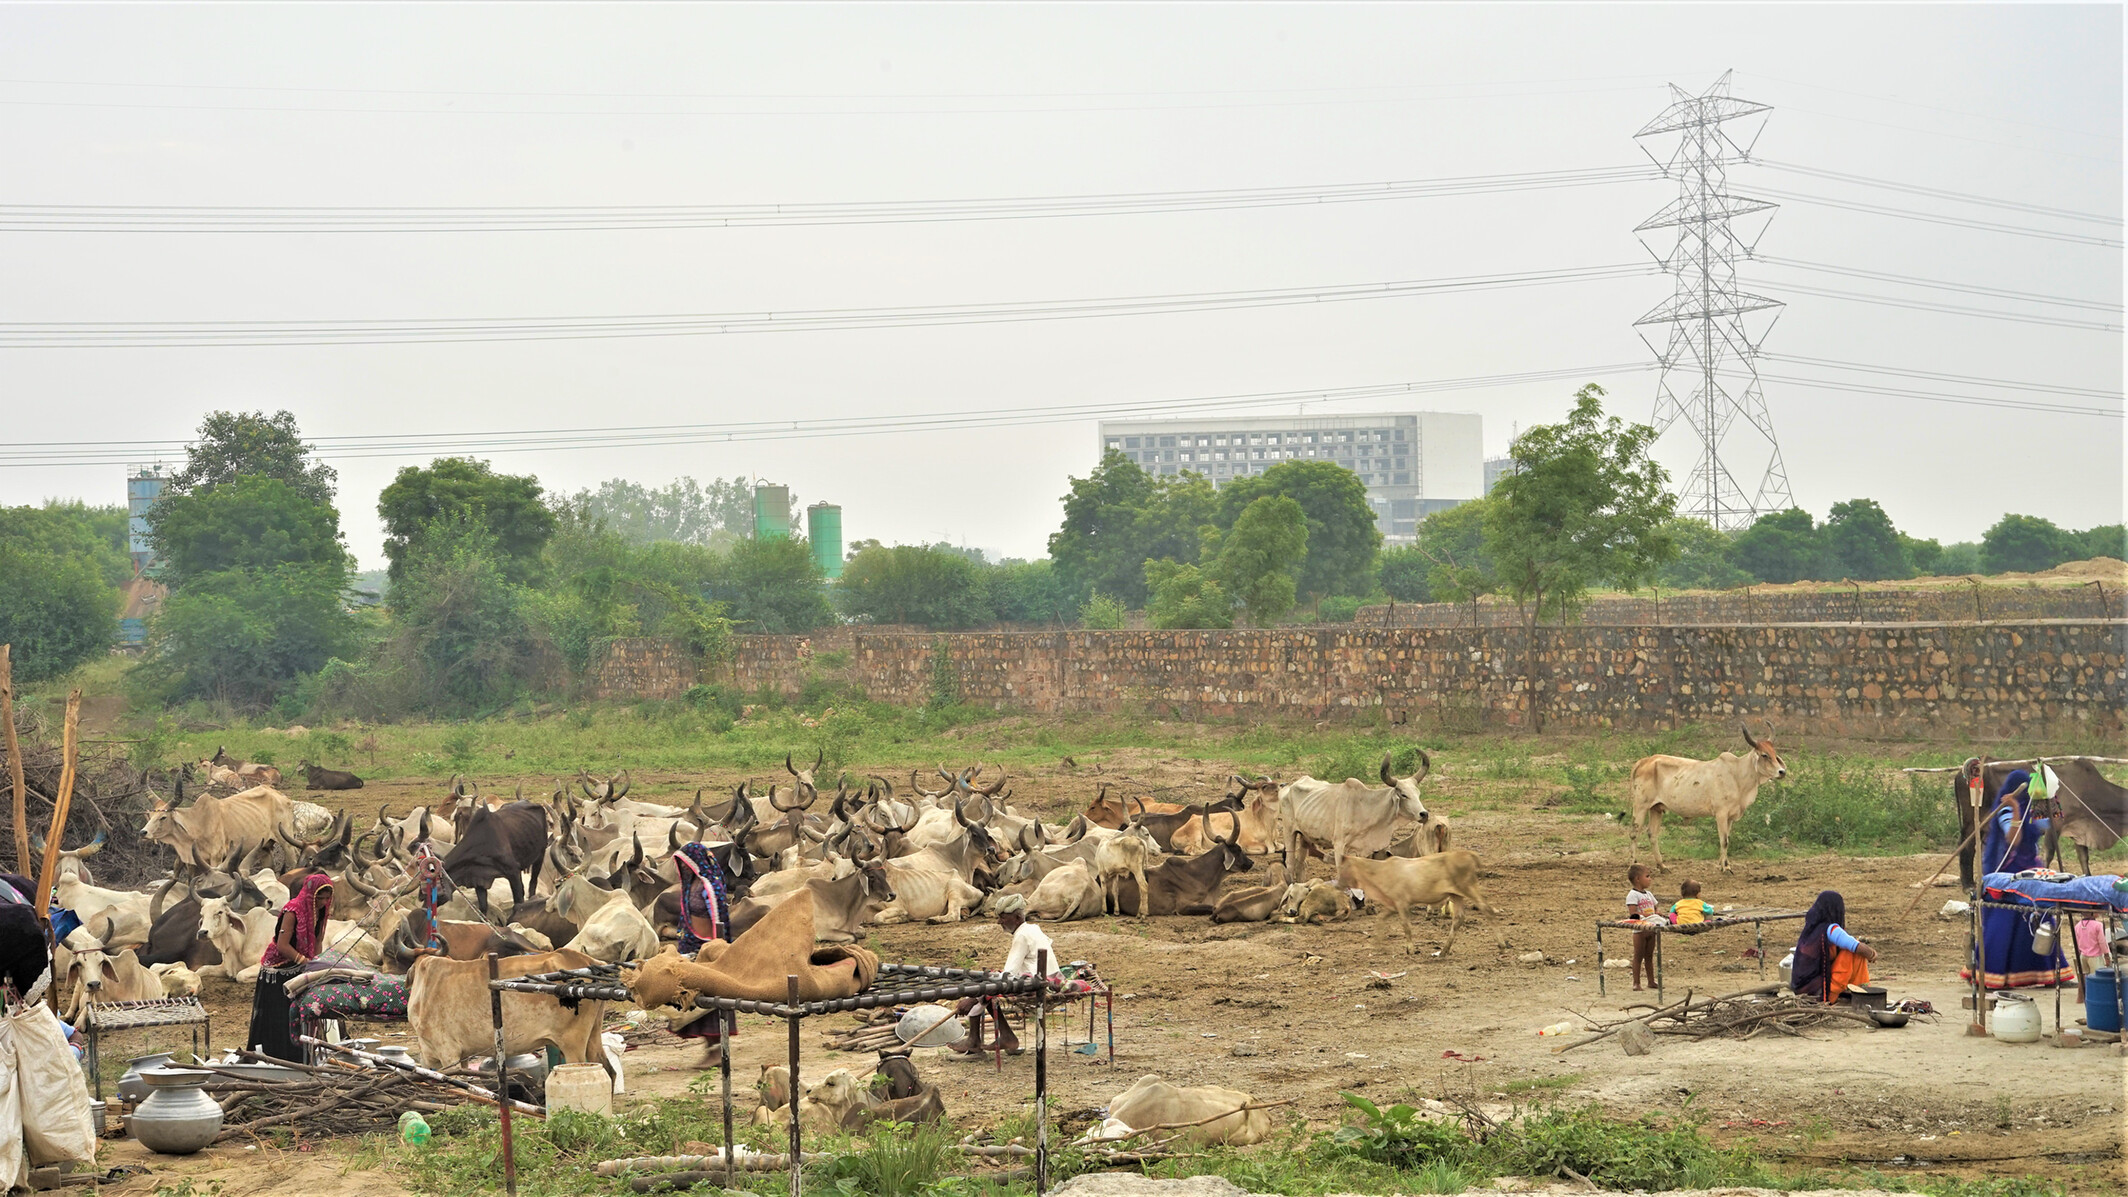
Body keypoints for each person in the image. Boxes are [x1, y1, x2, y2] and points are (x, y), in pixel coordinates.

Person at [1964, 770, 2075, 990]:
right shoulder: (2006, 809)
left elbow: (2049, 826)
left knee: (2041, 918)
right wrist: (2015, 809)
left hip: (2031, 873)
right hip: (2009, 877)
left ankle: (2047, 972)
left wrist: (2050, 800)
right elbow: (2013, 840)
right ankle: (1993, 975)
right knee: (2004, 923)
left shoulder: (2031, 809)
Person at [950, 896, 1052, 1057]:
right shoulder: (1033, 929)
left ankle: (977, 1040)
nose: (999, 922)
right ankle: (1001, 1037)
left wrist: (973, 999)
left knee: (986, 987)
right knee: (987, 985)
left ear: (1017, 917)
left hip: (1035, 984)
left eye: (1003, 917)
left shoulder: (1022, 936)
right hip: (1043, 979)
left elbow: (1007, 976)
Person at [248, 873, 332, 1061]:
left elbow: (318, 940)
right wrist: (305, 962)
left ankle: (298, 1057)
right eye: (320, 898)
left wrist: (317, 964)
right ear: (311, 895)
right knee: (280, 1017)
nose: (323, 901)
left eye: (327, 898)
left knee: (299, 1014)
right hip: (278, 972)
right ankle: (275, 1057)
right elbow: (282, 945)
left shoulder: (321, 911)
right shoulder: (292, 911)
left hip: (301, 968)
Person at [670, 842, 734, 1066]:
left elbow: (719, 918)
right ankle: (710, 1049)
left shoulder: (710, 885)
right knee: (695, 999)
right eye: (681, 864)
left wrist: (717, 948)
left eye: (686, 863)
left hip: (708, 948)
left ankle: (716, 1051)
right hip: (691, 949)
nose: (684, 868)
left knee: (711, 1000)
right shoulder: (691, 885)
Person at [1790, 890, 1877, 1002]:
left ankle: (1855, 991)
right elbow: (1855, 946)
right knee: (1852, 952)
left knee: (1851, 950)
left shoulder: (1811, 930)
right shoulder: (1829, 929)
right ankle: (1859, 993)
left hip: (1802, 988)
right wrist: (1872, 954)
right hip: (1818, 990)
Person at [1625, 865, 1659, 992]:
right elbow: (1633, 913)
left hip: (1651, 928)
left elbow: (1656, 907)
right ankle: (1636, 982)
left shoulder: (1649, 894)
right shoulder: (1632, 895)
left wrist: (1657, 913)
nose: (1650, 879)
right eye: (1647, 876)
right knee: (1638, 956)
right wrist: (1648, 915)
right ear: (1638, 879)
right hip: (1640, 930)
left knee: (1649, 956)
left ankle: (1651, 981)